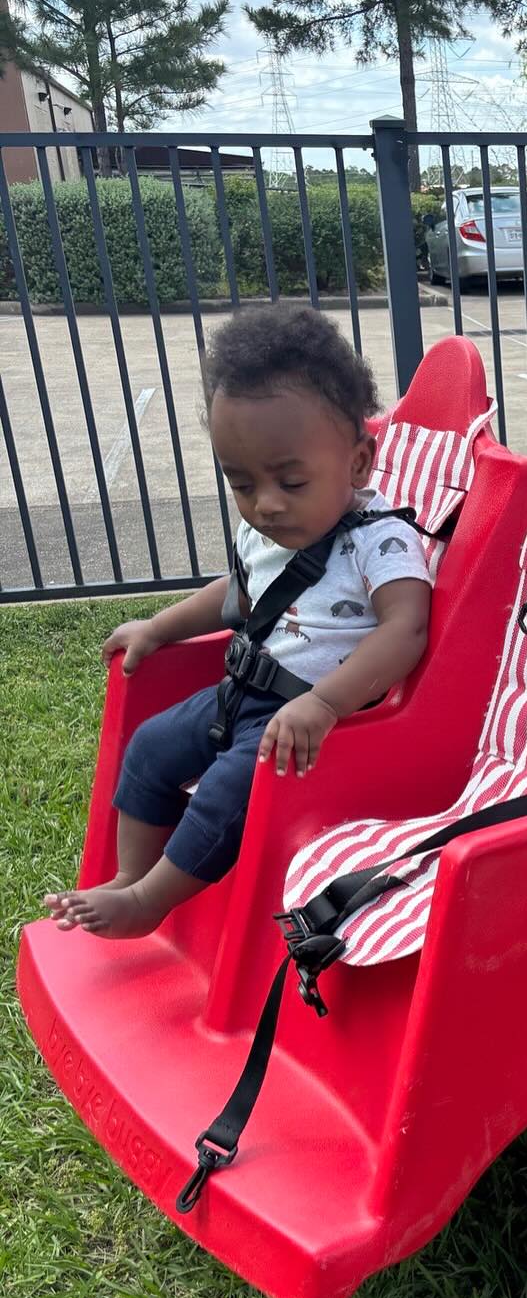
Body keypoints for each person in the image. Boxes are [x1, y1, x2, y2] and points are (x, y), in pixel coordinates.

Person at [45, 307, 433, 938]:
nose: (266, 504)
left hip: (317, 724)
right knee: (150, 745)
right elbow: (238, 592)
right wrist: (159, 627)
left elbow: (406, 628)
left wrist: (325, 704)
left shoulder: (380, 541)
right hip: (241, 695)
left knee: (231, 787)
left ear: (359, 463)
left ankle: (150, 900)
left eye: (291, 481)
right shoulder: (271, 530)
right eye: (242, 483)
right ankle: (128, 876)